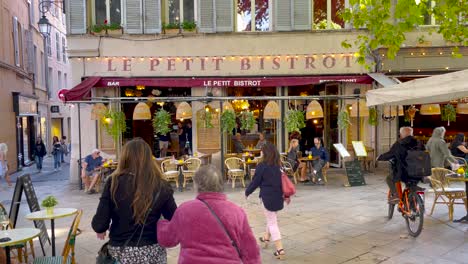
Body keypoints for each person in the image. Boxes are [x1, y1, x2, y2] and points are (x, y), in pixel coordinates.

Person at [92, 138, 177, 264]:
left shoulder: (113, 182)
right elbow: (174, 218)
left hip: (120, 252)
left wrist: (102, 229)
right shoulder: (161, 184)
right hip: (152, 252)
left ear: (124, 157)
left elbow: (99, 224)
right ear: (149, 159)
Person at [158, 165, 260, 264]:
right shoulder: (237, 212)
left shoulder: (184, 210)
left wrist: (160, 222)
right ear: (221, 185)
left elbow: (167, 239)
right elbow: (251, 252)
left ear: (196, 185)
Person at [245, 143, 286, 260]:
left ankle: (280, 249)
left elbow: (255, 182)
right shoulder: (279, 165)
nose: (261, 153)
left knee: (272, 222)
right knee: (271, 217)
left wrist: (247, 192)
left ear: (266, 153)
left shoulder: (262, 166)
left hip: (267, 198)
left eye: (262, 151)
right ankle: (266, 237)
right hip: (279, 197)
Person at [377, 127, 424, 202]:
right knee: (411, 183)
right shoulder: (419, 143)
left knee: (389, 178)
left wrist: (380, 157)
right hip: (419, 172)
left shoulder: (399, 143)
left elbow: (390, 154)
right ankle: (413, 203)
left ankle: (395, 195)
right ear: (412, 134)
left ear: (401, 135)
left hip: (404, 173)